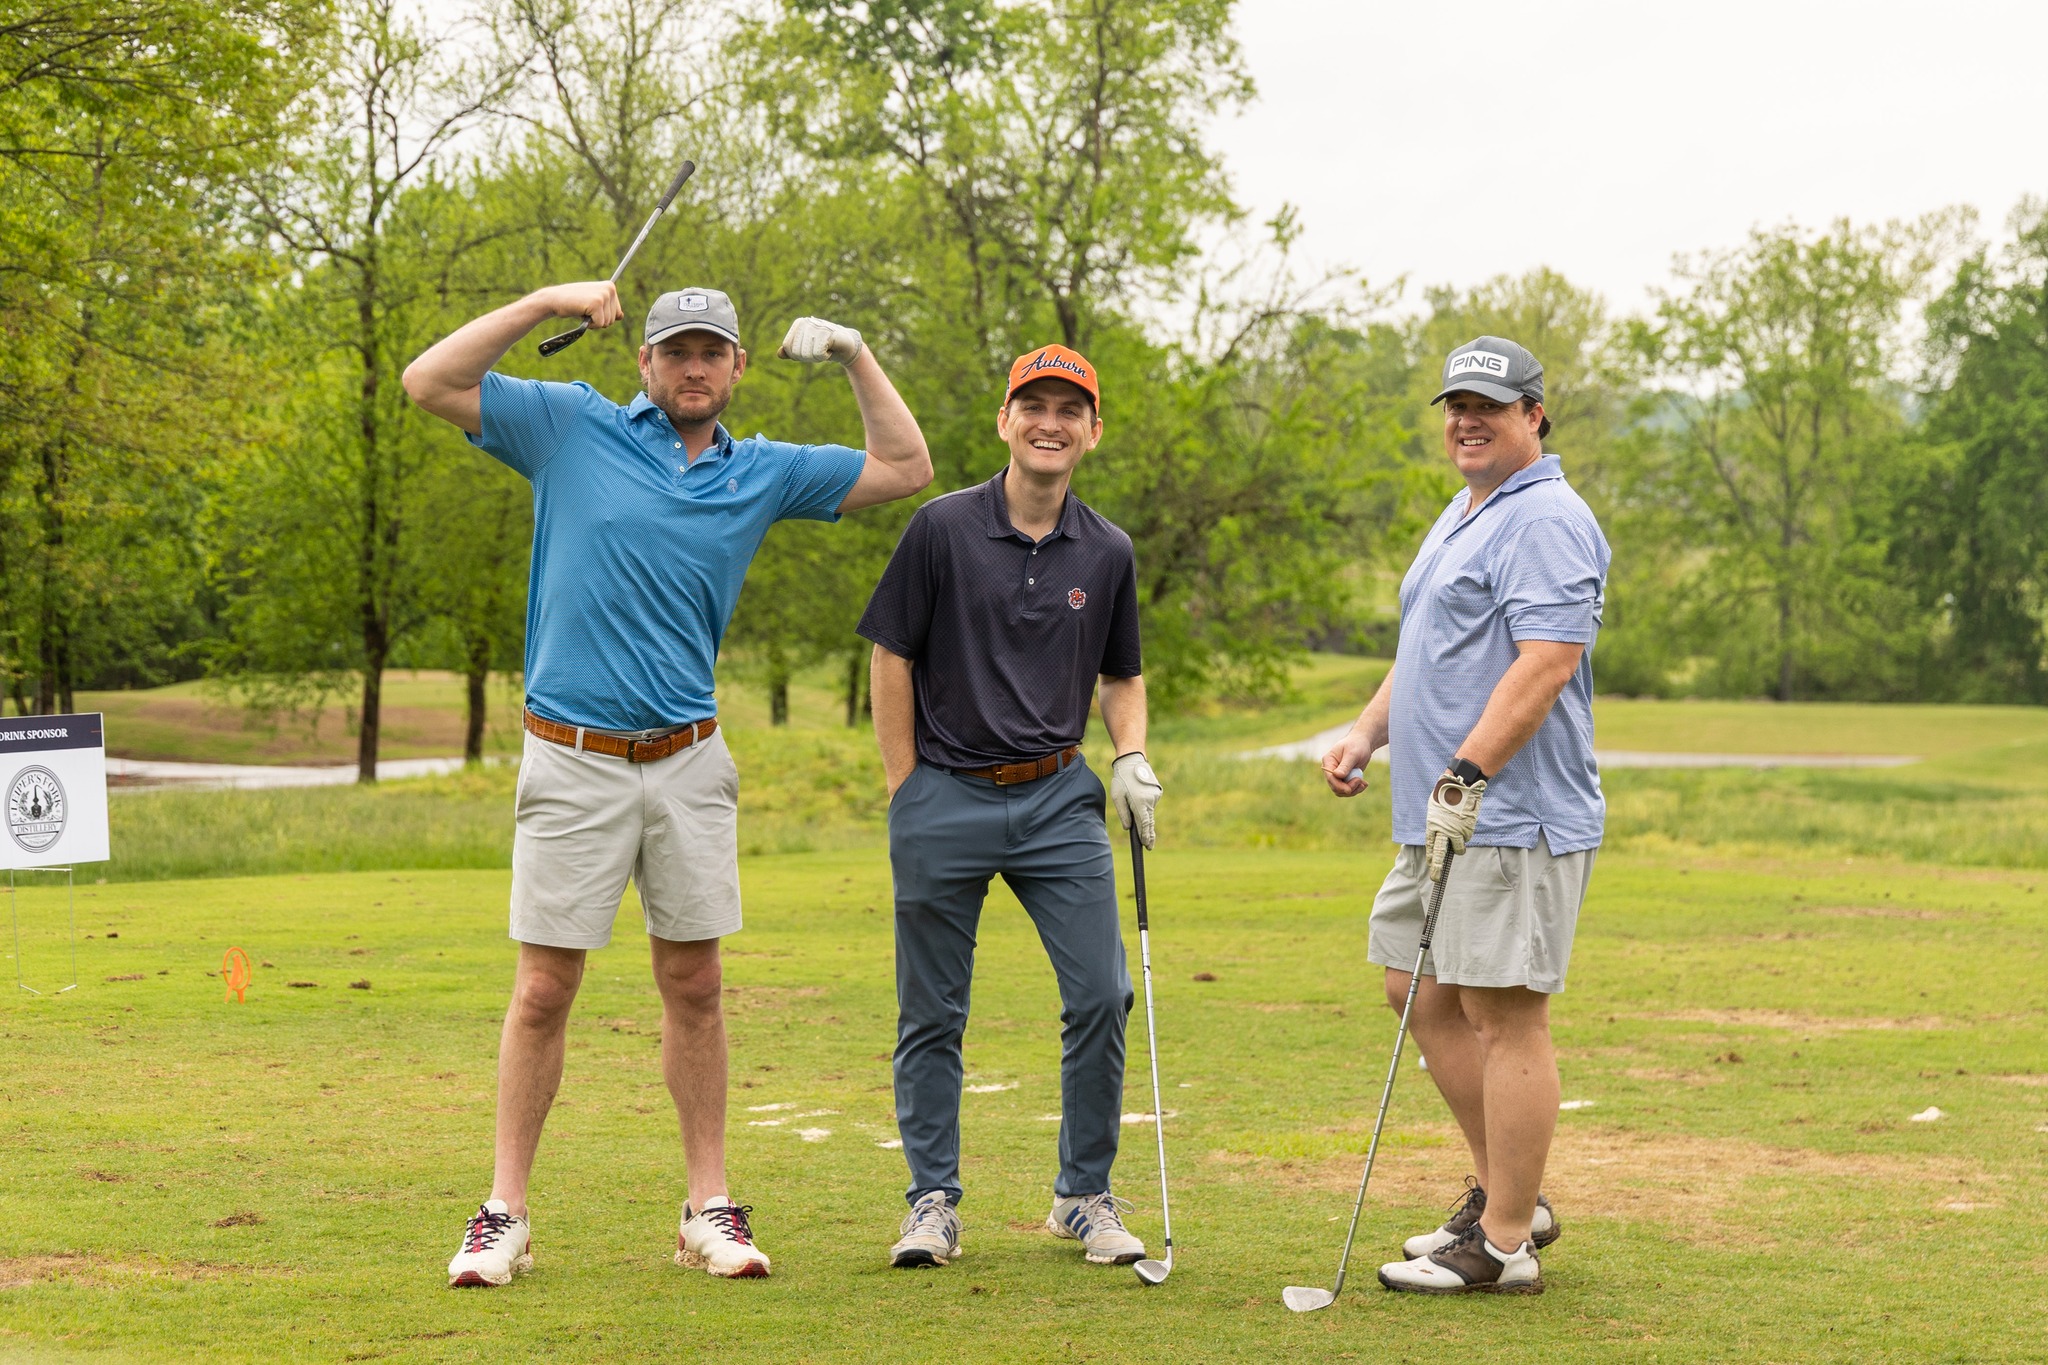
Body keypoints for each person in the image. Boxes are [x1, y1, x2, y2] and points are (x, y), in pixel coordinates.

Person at [401, 281, 932, 1287]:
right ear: (643, 364)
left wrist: (857, 356)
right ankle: (503, 1211)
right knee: (543, 990)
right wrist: (544, 301)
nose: (693, 368)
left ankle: (707, 1209)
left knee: (695, 984)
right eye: (674, 352)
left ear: (734, 369)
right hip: (571, 756)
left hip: (687, 759)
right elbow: (428, 380)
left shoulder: (763, 471)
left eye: (711, 353)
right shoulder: (567, 427)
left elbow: (907, 466)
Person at [856, 344, 1164, 1270]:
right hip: (942, 793)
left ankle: (1081, 1193)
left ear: (1092, 431)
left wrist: (1133, 755)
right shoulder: (940, 528)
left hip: (1056, 800)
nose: (1050, 422)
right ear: (1005, 420)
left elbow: (1123, 674)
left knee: (1103, 991)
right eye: (1033, 404)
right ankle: (932, 1201)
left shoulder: (1108, 550)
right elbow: (891, 656)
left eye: (1070, 410)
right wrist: (904, 786)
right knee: (932, 1010)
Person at [1319, 336, 1609, 1296]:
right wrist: (1368, 731)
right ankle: (1507, 1193)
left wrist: (1467, 771)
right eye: (1455, 405)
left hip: (1508, 812)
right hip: (1442, 810)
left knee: (1503, 1012)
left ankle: (1505, 1243)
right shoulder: (1468, 508)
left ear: (1536, 415)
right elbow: (1426, 646)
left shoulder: (1549, 518)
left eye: (1490, 404)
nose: (1467, 420)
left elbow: (1547, 661)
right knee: (1418, 988)